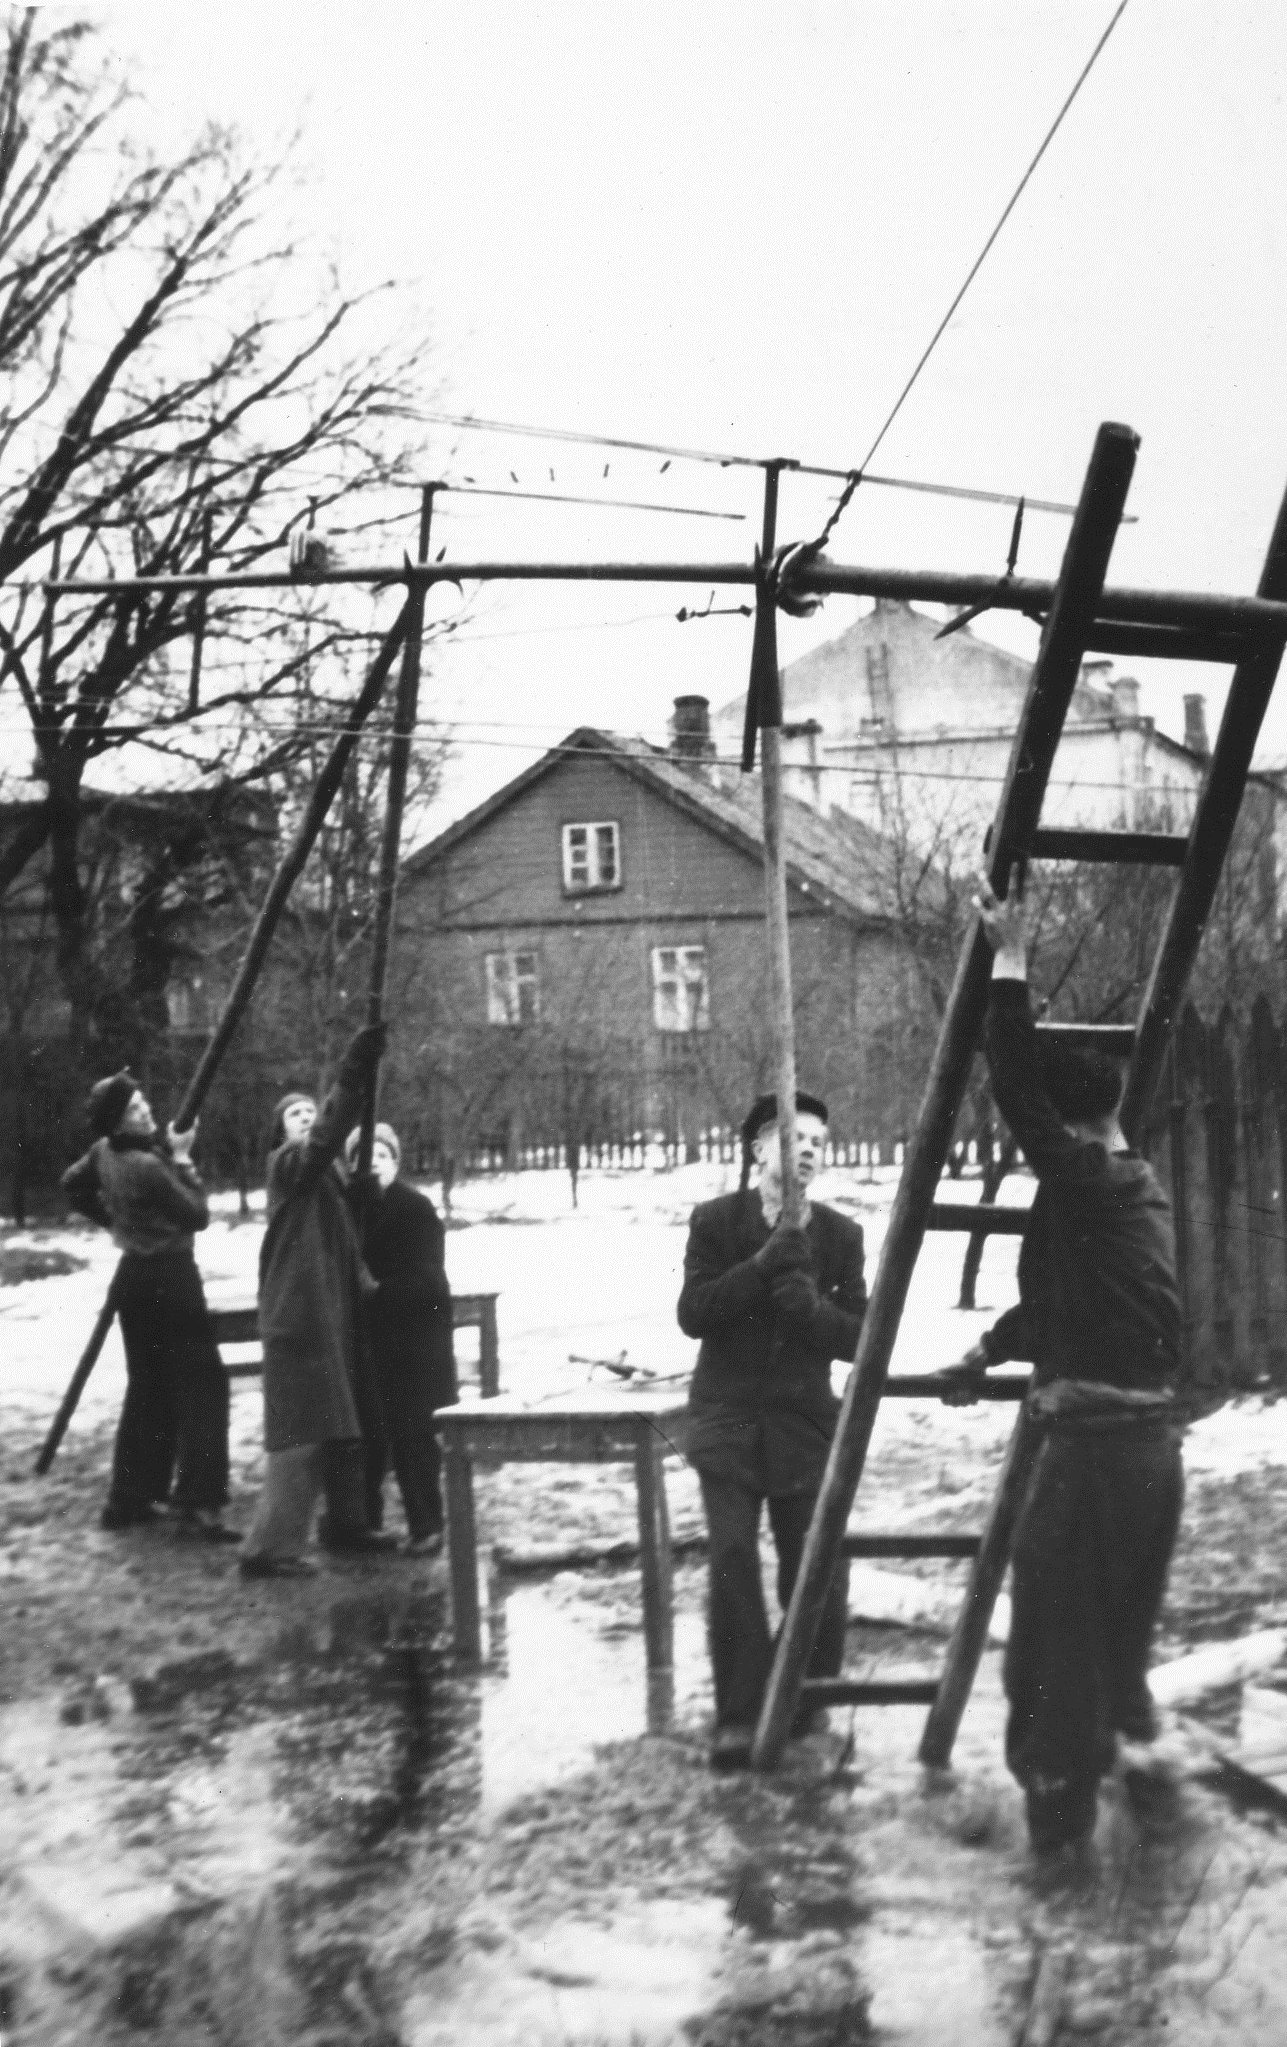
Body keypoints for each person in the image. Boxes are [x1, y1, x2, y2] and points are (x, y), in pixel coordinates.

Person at [936, 875, 1184, 1855]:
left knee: (1052, 1654)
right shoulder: (1127, 1192)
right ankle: (1145, 1825)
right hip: (1144, 1455)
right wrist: (987, 1350)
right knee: (1108, 1655)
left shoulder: (1088, 1177)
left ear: (1076, 1129)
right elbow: (1058, 1308)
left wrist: (1010, 960)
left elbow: (1015, 1089)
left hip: (1092, 1457)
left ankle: (1061, 1875)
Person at [677, 1089, 866, 1769]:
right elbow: (693, 1313)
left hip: (803, 1420)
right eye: (793, 1137)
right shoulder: (716, 1222)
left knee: (816, 1565)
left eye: (818, 1139)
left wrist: (810, 1308)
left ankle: (804, 1699)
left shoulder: (841, 1237)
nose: (808, 1148)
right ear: (758, 1149)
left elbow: (859, 1338)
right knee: (731, 1559)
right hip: (726, 1415)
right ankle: (738, 1713)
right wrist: (759, 1270)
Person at [239, 1023, 396, 1578]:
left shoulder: (327, 1175)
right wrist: (354, 1072)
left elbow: (344, 1236)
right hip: (300, 1314)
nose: (306, 1118)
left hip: (331, 1312)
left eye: (310, 1110)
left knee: (343, 1422)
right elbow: (331, 1131)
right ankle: (268, 1550)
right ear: (281, 1132)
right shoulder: (289, 1165)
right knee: (304, 1431)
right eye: (295, 1114)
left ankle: (347, 1525)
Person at [62, 1072, 234, 1540]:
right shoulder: (148, 1166)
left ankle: (131, 1497)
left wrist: (115, 1222)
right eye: (135, 1108)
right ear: (118, 1121)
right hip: (172, 1278)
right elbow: (197, 1214)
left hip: (133, 1281)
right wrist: (183, 1159)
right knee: (203, 1385)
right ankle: (199, 1501)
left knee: (148, 1385)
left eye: (143, 1102)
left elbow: (71, 1185)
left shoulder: (103, 1154)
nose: (147, 1111)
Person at [344, 1120, 456, 1555]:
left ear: (394, 1162)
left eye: (381, 1157)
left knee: (413, 1436)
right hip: (369, 1340)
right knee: (369, 1434)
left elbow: (429, 1282)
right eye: (361, 1159)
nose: (372, 1167)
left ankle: (427, 1526)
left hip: (414, 1342)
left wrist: (381, 1292)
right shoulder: (350, 1211)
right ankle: (363, 1522)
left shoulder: (414, 1208)